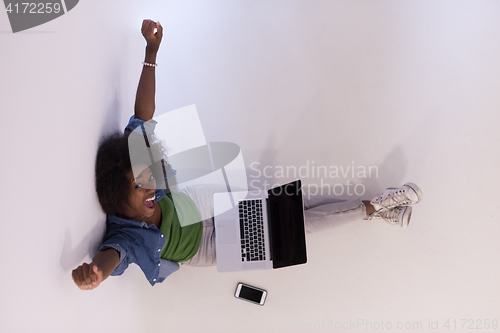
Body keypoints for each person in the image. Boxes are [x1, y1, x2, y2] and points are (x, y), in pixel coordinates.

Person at [71, 19, 423, 290]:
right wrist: (97, 273)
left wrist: (151, 54)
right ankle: (379, 204)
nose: (152, 188)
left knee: (298, 202)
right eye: (140, 187)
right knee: (299, 228)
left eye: (148, 177)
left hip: (206, 206)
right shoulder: (125, 237)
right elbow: (111, 257)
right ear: (118, 196)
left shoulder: (136, 164)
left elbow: (142, 117)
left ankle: (377, 211)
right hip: (209, 245)